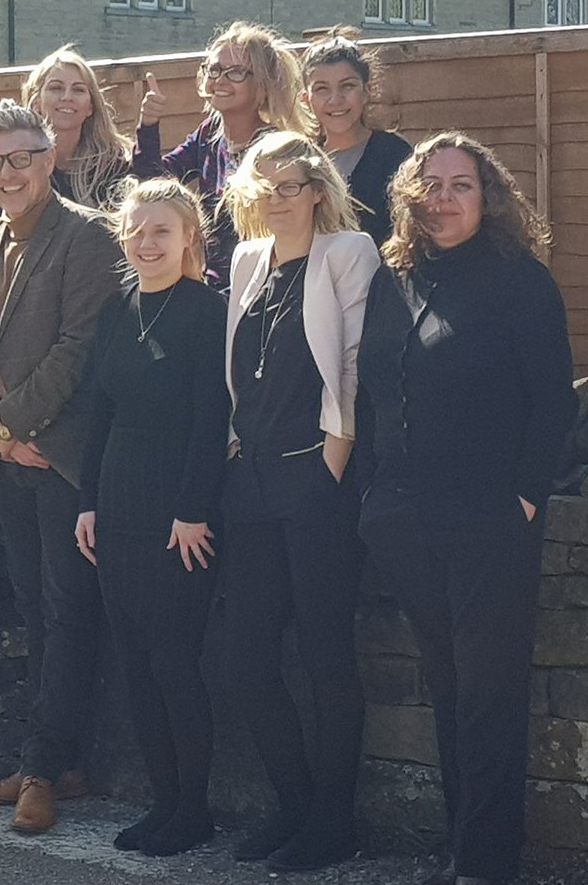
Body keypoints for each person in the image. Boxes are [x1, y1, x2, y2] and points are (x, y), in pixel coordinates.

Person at [355, 132, 576, 885]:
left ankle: (485, 863)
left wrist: (521, 497)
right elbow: (369, 390)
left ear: (490, 199)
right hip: (403, 518)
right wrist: (372, 501)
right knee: (446, 686)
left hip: (486, 515)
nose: (443, 198)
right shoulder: (394, 276)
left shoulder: (521, 281)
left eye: (462, 186)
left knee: (489, 690)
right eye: (431, 185)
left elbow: (552, 404)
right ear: (409, 197)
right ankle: (458, 850)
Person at [0, 99, 120, 833]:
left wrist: (17, 424)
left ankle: (42, 770)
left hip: (62, 463)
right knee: (37, 615)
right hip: (6, 464)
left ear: (50, 159)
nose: (8, 172)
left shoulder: (86, 238)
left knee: (67, 612)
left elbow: (78, 350)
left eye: (22, 157)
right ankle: (61, 760)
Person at [219, 131, 380, 872]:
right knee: (245, 657)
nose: (276, 197)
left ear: (318, 189)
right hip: (248, 482)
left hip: (315, 483)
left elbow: (350, 363)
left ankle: (333, 821)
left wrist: (332, 465)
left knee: (325, 657)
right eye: (264, 185)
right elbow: (237, 373)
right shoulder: (247, 260)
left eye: (290, 184)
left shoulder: (348, 252)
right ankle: (292, 806)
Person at [76, 178, 229, 856]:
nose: (146, 242)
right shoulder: (117, 310)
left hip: (178, 513)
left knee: (173, 659)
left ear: (189, 237)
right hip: (119, 503)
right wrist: (87, 503)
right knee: (135, 660)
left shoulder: (206, 312)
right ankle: (162, 803)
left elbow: (211, 418)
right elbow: (97, 413)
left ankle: (194, 810)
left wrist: (193, 510)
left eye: (161, 230)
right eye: (136, 231)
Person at [132, 20, 312, 291]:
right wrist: (148, 126)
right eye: (214, 70)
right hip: (212, 286)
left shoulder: (276, 149)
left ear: (263, 86)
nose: (220, 80)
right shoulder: (208, 136)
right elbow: (154, 184)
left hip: (263, 286)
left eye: (236, 72)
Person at [0, 45, 132, 225]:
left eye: (78, 90)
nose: (67, 97)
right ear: (36, 102)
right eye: (56, 88)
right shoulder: (8, 168)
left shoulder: (115, 166)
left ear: (90, 106)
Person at [302, 27, 411, 246]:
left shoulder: (395, 156)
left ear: (367, 90)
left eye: (348, 86)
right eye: (322, 89)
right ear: (306, 99)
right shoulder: (301, 159)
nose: (336, 99)